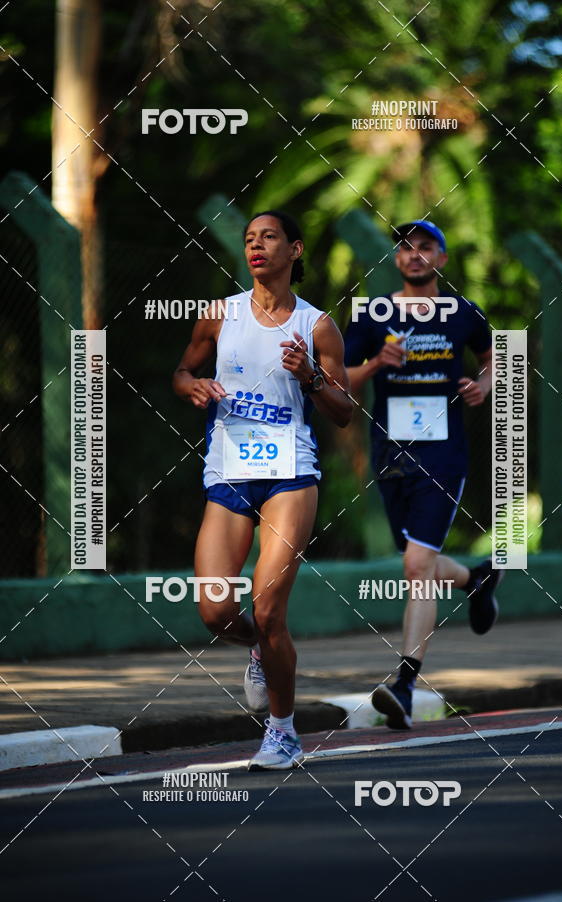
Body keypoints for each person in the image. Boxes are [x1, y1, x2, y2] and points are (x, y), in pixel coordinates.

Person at [173, 210, 352, 767]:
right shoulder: (218, 315)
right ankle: (256, 646)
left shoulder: (317, 325)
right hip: (228, 472)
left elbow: (345, 412)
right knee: (214, 611)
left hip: (289, 474)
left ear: (294, 250)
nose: (256, 245)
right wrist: (193, 385)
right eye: (250, 238)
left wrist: (312, 378)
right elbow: (181, 371)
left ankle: (283, 731)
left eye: (269, 237)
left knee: (269, 607)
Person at [344, 219, 502, 729]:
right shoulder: (374, 314)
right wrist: (373, 366)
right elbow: (335, 377)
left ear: (442, 259)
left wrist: (483, 386)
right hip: (391, 454)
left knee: (415, 566)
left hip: (443, 453)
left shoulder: (462, 313)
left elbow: (497, 357)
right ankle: (476, 580)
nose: (415, 255)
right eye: (406, 248)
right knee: (415, 558)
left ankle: (405, 685)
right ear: (396, 259)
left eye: (426, 247)